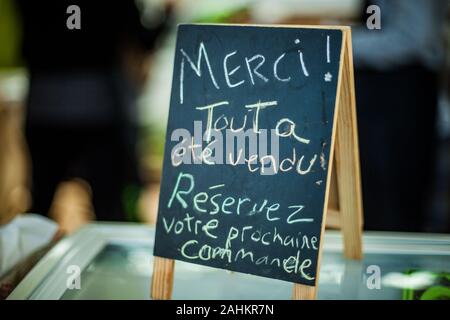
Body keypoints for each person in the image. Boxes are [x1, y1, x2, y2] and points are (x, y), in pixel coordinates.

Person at [16, 0, 172, 221]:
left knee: (40, 205)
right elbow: (140, 39)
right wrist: (166, 14)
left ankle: (33, 251)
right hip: (97, 112)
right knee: (109, 208)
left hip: (44, 106)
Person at [352, 0, 448, 231]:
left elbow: (414, 38)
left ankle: (394, 267)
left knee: (395, 204)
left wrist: (339, 42)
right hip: (383, 95)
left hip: (399, 96)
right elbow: (379, 22)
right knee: (376, 200)